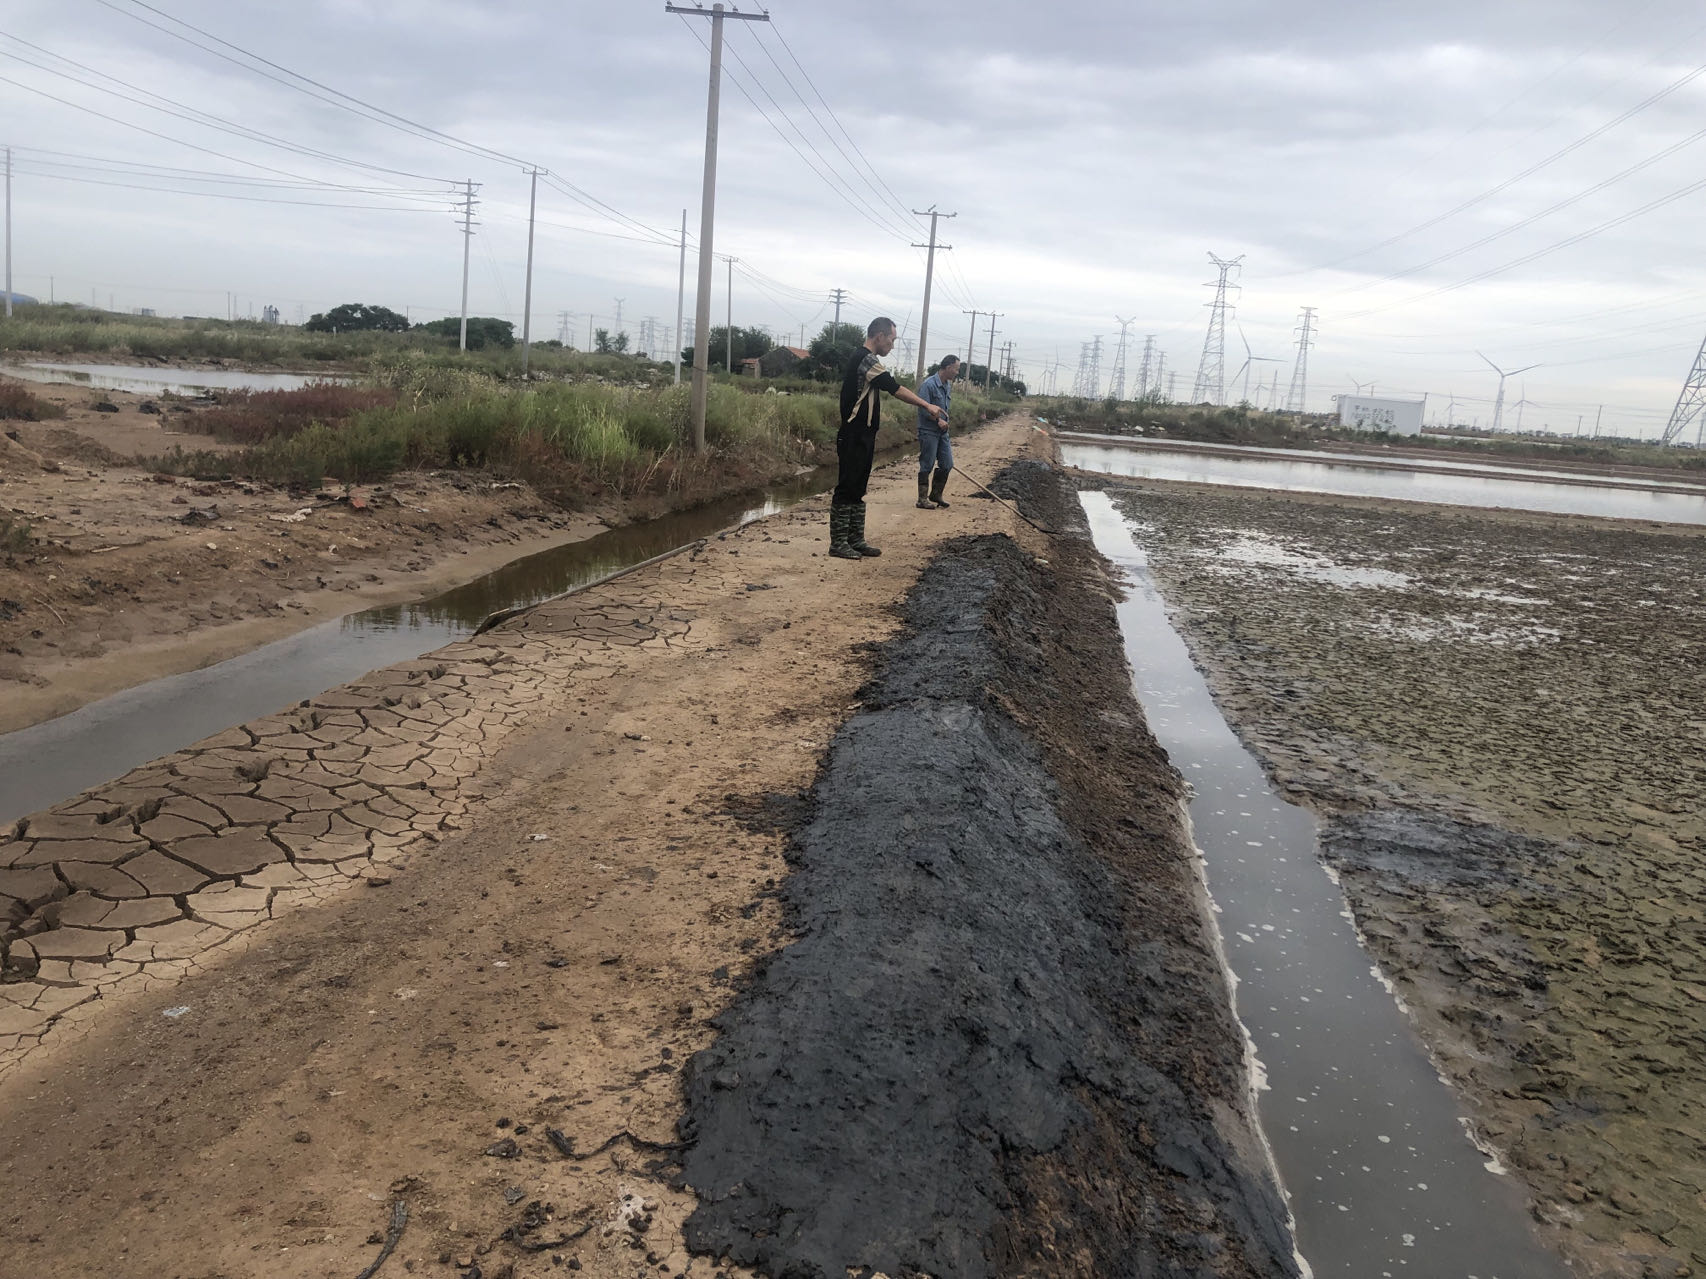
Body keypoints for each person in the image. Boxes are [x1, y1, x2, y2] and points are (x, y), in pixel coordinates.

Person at [831, 317, 946, 560]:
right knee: (847, 486)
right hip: (853, 434)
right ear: (879, 336)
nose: (892, 346)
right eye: (891, 340)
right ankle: (838, 543)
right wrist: (927, 405)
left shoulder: (868, 359)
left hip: (865, 434)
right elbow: (894, 388)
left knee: (858, 487)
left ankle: (855, 540)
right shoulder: (865, 359)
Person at [914, 355, 958, 509]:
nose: (957, 372)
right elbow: (923, 408)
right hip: (928, 431)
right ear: (948, 368)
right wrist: (938, 420)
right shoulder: (929, 385)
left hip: (942, 432)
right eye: (956, 369)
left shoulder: (947, 385)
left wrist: (944, 423)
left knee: (947, 464)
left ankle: (936, 494)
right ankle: (922, 499)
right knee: (927, 464)